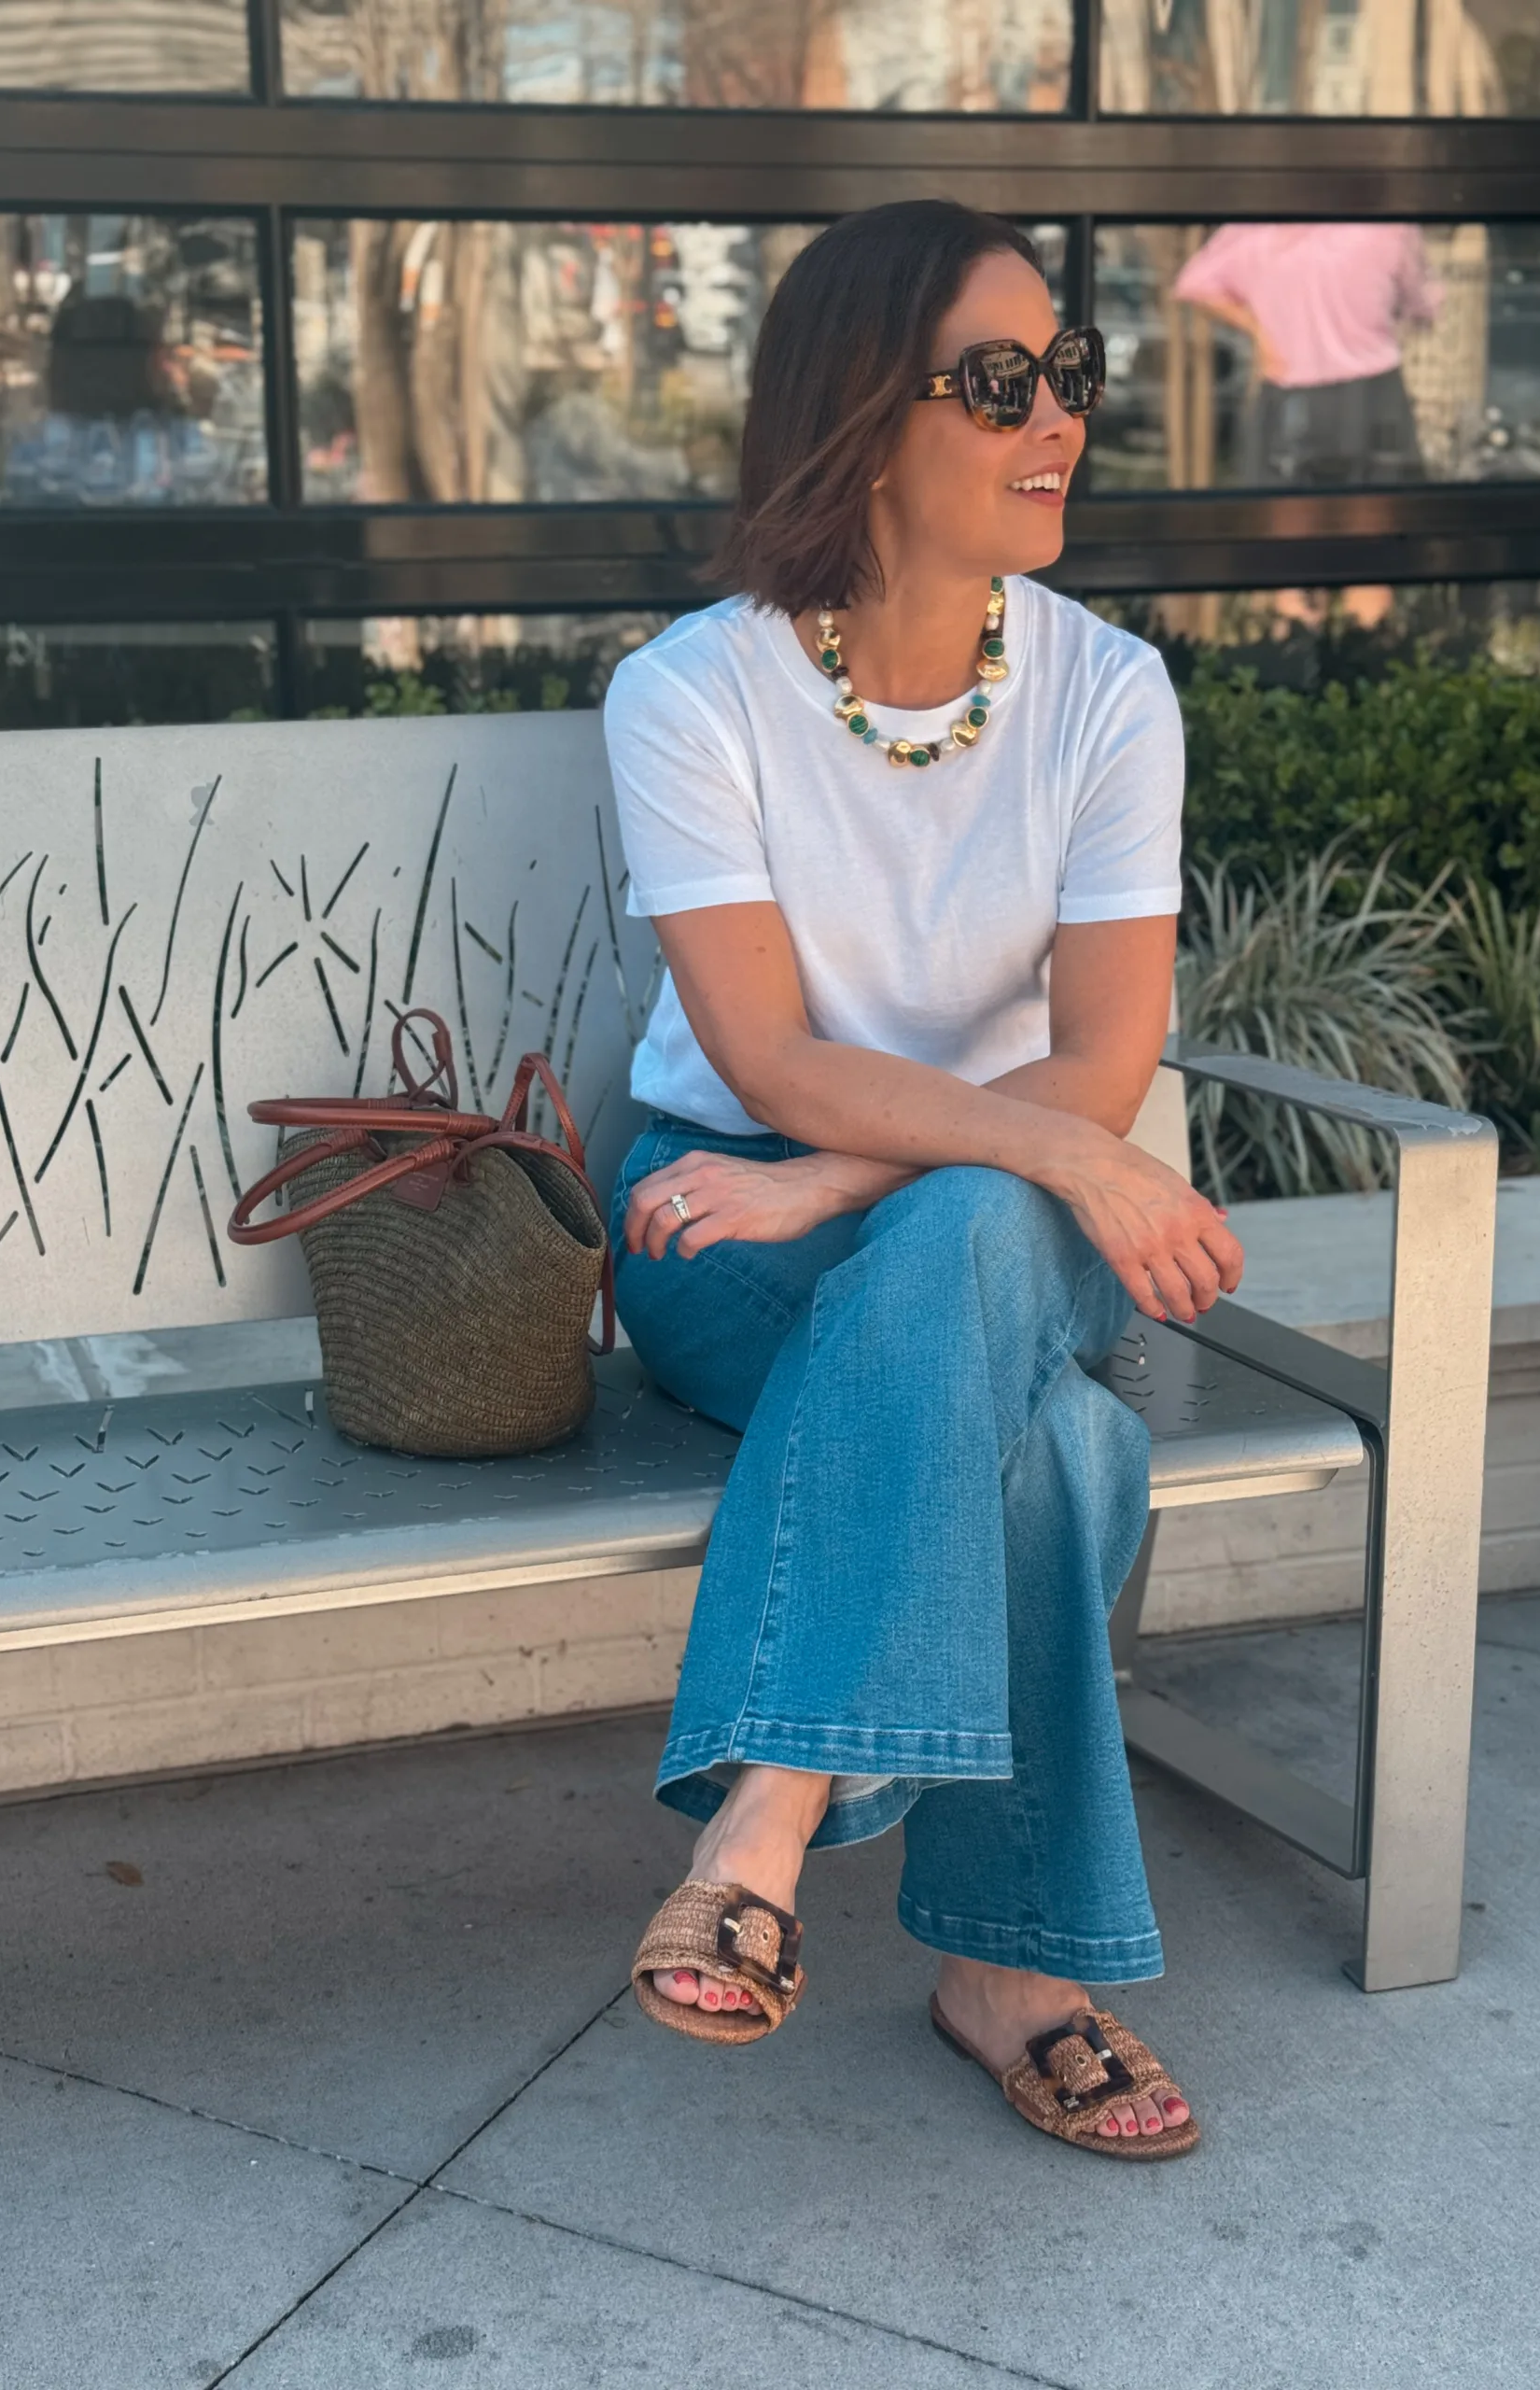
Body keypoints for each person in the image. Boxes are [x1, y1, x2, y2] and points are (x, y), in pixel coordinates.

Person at [604, 200, 1241, 2161]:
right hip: (723, 1216)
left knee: (966, 1225)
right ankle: (1016, 1972)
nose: (1056, 416)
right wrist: (817, 1175)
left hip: (991, 1207)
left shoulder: (1108, 689)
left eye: (1073, 374)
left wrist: (853, 1179)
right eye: (998, 381)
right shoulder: (692, 693)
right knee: (1065, 1451)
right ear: (867, 421)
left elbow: (1107, 1054)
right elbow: (772, 1056)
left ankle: (770, 1807)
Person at [1174, 220, 1438, 626]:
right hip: (1372, 396)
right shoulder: (1387, 227)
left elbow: (1194, 283)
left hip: (1291, 396)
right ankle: (1365, 670)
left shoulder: (1255, 231)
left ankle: (1296, 673)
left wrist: (1259, 328)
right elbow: (1423, 304)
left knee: (1288, 558)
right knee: (1372, 554)